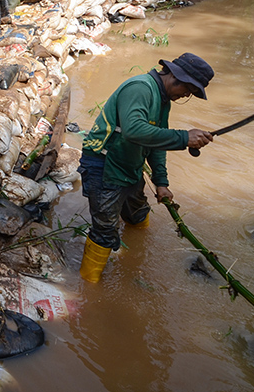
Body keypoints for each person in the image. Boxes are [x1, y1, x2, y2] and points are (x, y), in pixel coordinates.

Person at [77, 53, 216, 282]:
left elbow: (156, 143)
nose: (185, 95)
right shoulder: (140, 88)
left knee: (138, 213)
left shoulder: (163, 100)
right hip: (104, 164)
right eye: (188, 91)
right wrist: (184, 138)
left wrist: (161, 182)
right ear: (176, 77)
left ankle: (138, 253)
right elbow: (134, 130)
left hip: (129, 163)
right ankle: (88, 286)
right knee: (104, 230)